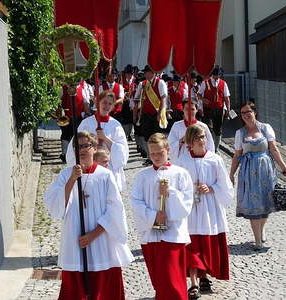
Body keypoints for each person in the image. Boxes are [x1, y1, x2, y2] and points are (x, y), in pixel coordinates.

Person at [44, 131, 133, 300]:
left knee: (103, 287)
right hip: (75, 239)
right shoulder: (66, 174)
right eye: (78, 147)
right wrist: (72, 179)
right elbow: (54, 206)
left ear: (94, 148)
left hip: (101, 240)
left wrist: (94, 234)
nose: (83, 150)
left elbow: (115, 210)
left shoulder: (105, 175)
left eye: (86, 145)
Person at [131, 133, 194, 300]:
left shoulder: (181, 174)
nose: (156, 157)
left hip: (173, 235)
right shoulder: (142, 176)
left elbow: (187, 204)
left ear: (168, 150)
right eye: (152, 154)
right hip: (151, 234)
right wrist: (153, 216)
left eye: (160, 153)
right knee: (159, 281)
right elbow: (135, 202)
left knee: (172, 281)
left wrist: (171, 193)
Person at [176, 124, 233, 299]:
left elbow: (225, 184)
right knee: (192, 244)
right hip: (191, 208)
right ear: (189, 143)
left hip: (209, 207)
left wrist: (211, 188)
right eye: (197, 138)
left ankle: (204, 277)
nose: (202, 141)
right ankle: (193, 282)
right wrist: (188, 190)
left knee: (207, 243)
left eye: (203, 137)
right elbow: (176, 184)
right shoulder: (182, 161)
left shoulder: (215, 159)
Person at [230, 101, 286, 250]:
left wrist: (284, 167)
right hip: (248, 173)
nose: (245, 115)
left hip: (265, 170)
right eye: (243, 113)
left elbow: (274, 149)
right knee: (253, 205)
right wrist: (231, 174)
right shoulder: (240, 133)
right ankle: (257, 240)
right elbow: (237, 155)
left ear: (254, 112)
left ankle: (261, 229)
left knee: (265, 202)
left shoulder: (266, 128)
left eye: (248, 112)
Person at [66, 91, 129, 192]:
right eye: (104, 102)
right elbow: (75, 145)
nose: (106, 106)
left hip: (109, 167)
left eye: (110, 103)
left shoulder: (115, 125)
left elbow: (123, 151)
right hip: (89, 168)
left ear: (113, 106)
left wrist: (105, 138)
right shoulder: (86, 123)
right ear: (98, 102)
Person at [133, 65, 168, 166]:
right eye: (145, 73)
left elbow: (163, 99)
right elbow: (136, 99)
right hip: (145, 114)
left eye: (148, 72)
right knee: (147, 137)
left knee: (157, 137)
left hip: (156, 114)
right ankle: (150, 157)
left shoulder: (160, 82)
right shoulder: (142, 84)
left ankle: (161, 157)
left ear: (153, 73)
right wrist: (135, 114)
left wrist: (160, 113)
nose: (146, 74)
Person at [198, 66, 231, 152]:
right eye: (215, 75)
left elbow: (227, 98)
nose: (217, 77)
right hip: (208, 109)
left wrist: (228, 110)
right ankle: (210, 147)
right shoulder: (205, 82)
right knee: (209, 128)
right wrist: (203, 99)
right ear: (212, 75)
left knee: (218, 129)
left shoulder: (223, 83)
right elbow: (199, 94)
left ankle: (216, 148)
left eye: (218, 75)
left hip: (219, 109)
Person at [58, 81, 91, 163]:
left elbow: (86, 102)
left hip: (78, 117)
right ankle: (64, 154)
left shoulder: (82, 89)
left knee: (76, 135)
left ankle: (75, 154)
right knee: (65, 135)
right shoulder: (63, 88)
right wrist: (59, 112)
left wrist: (87, 113)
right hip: (66, 116)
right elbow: (58, 101)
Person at [121, 64, 136, 141]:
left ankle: (130, 134)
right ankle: (125, 134)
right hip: (124, 102)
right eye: (127, 73)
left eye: (130, 74)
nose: (128, 75)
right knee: (125, 119)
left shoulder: (135, 81)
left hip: (133, 102)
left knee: (131, 119)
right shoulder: (121, 80)